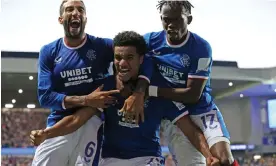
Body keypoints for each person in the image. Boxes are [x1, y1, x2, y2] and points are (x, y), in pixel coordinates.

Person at [30, 31, 220, 166]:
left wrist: (208, 156)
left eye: (129, 57)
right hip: (109, 159)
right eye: (118, 57)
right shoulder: (106, 89)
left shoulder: (157, 92)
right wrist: (47, 134)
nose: (122, 63)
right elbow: (76, 119)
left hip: (147, 159)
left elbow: (189, 127)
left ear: (141, 60)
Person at [32, 0, 151, 166]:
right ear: (61, 19)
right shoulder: (49, 51)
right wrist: (86, 99)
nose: (75, 13)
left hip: (93, 121)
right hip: (60, 122)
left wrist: (139, 91)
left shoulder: (102, 46)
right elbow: (45, 96)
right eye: (69, 9)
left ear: (85, 19)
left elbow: (143, 56)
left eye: (80, 9)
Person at [134, 1, 238, 166]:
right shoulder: (150, 41)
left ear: (189, 19)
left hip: (201, 109)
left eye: (177, 20)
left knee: (225, 160)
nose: (170, 25)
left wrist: (151, 91)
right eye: (166, 19)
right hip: (173, 114)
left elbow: (192, 94)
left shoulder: (201, 47)